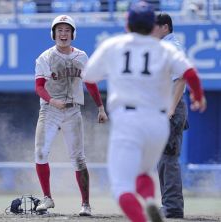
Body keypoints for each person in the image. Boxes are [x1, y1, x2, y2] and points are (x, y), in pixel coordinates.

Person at [82, 1, 206, 222]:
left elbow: (88, 76)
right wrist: (198, 96)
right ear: (151, 26)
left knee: (121, 188)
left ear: (128, 24)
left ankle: (144, 215)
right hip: (157, 121)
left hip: (128, 120)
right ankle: (149, 200)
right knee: (145, 170)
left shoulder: (114, 45)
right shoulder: (165, 48)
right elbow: (191, 73)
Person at [34, 14, 108, 216]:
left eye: (67, 30)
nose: (63, 34)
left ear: (73, 34)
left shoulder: (81, 56)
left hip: (73, 109)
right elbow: (39, 87)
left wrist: (100, 107)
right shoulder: (45, 57)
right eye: (59, 30)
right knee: (40, 152)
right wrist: (52, 101)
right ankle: (47, 198)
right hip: (50, 110)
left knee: (78, 159)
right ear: (53, 34)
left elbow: (90, 83)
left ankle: (85, 204)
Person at [152, 12, 187, 219]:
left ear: (165, 27)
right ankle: (168, 204)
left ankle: (173, 207)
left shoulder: (171, 48)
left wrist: (171, 108)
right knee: (163, 159)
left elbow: (181, 78)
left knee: (168, 158)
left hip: (170, 107)